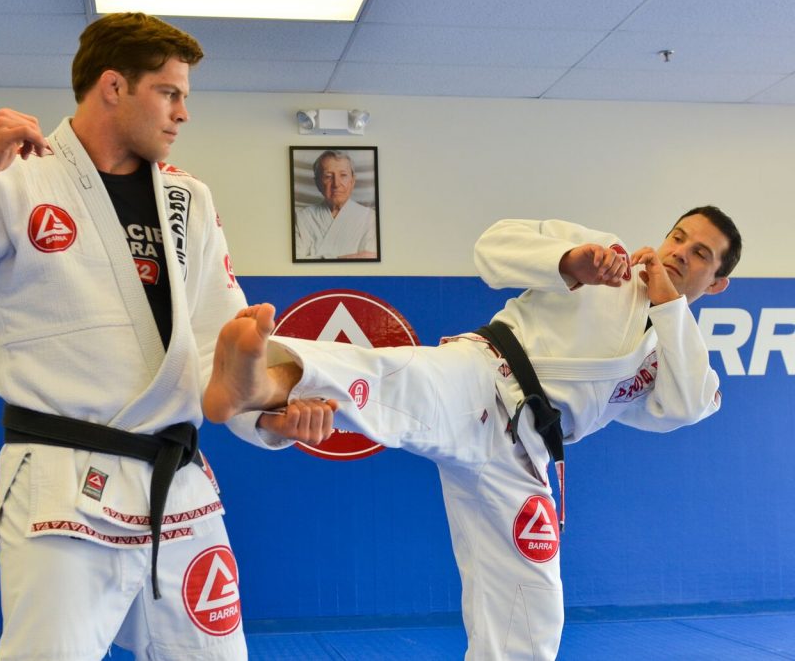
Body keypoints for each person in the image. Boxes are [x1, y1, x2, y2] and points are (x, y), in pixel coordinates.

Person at [0, 11, 319, 661]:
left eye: (187, 96)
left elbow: (219, 345)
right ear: (113, 87)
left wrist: (269, 418)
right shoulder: (12, 179)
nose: (184, 112)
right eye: (170, 92)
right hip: (63, 488)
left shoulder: (191, 199)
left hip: (179, 489)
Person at [204, 207, 742, 660]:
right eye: (679, 236)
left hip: (524, 454)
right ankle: (264, 379)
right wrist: (569, 261)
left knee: (533, 607)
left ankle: (265, 387)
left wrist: (669, 308)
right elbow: (492, 248)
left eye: (700, 254)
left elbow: (690, 404)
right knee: (391, 377)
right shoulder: (608, 257)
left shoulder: (675, 352)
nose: (679, 252)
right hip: (484, 376)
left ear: (716, 283)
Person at [293, 150, 378, 260]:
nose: (336, 184)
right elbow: (295, 263)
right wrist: (349, 257)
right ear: (317, 183)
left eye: (343, 175)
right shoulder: (302, 218)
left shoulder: (370, 218)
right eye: (328, 176)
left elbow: (370, 262)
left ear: (352, 181)